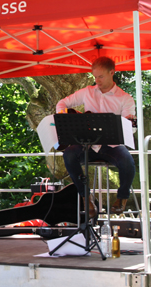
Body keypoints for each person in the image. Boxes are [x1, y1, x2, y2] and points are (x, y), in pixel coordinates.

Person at [56, 56, 136, 217]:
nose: (97, 80)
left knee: (128, 161)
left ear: (112, 72)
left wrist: (126, 125)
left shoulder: (125, 98)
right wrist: (65, 116)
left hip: (111, 146)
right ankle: (86, 197)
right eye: (95, 77)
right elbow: (61, 104)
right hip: (87, 144)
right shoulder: (87, 92)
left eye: (101, 76)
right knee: (69, 154)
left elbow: (130, 129)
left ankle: (122, 198)